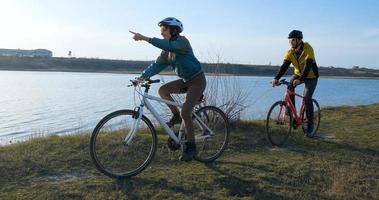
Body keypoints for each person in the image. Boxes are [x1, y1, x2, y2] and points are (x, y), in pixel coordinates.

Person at [131, 17, 206, 161]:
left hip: (197, 81)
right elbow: (157, 65)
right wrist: (142, 77)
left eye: (164, 29)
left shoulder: (182, 42)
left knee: (186, 112)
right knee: (162, 91)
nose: (161, 32)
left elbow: (170, 46)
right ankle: (176, 116)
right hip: (185, 81)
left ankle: (192, 146)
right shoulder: (167, 51)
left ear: (174, 30)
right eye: (161, 30)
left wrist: (144, 38)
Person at [271, 30, 319, 136]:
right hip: (298, 74)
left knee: (307, 98)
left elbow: (308, 65)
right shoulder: (290, 52)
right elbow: (284, 66)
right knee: (289, 87)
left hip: (311, 76)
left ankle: (310, 123)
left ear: (299, 40)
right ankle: (292, 115)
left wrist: (301, 79)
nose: (291, 42)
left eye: (293, 40)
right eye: (289, 40)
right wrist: (276, 78)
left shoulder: (307, 48)